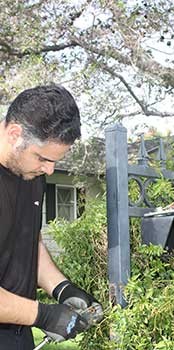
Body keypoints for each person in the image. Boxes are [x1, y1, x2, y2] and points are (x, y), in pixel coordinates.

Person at [0, 84, 103, 349]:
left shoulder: (31, 174)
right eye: (43, 158)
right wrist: (43, 315)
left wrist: (62, 288)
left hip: (17, 333)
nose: (49, 169)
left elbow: (27, 244)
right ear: (14, 134)